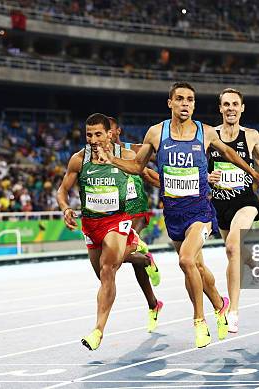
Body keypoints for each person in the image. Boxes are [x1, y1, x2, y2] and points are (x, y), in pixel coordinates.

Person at [96, 82, 259, 347]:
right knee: (197, 267)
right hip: (174, 214)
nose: (185, 103)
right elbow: (137, 166)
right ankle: (220, 305)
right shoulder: (156, 133)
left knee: (186, 260)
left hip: (201, 212)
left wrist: (256, 174)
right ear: (170, 102)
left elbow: (231, 155)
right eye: (179, 99)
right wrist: (113, 160)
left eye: (190, 99)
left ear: (194, 104)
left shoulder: (204, 132)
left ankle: (199, 322)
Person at [57, 113, 155, 351]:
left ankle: (98, 330)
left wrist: (181, 193)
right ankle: (137, 252)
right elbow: (62, 190)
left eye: (98, 134)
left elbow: (149, 174)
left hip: (117, 221)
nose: (93, 139)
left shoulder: (127, 156)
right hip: (91, 225)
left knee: (108, 269)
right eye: (89, 134)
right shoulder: (78, 160)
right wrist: (66, 208)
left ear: (110, 133)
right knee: (102, 277)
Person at [207, 88, 259, 333]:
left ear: (242, 108)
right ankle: (255, 265)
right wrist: (208, 176)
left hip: (245, 201)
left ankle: (234, 311)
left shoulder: (250, 135)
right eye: (226, 104)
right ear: (220, 108)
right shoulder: (210, 134)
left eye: (235, 104)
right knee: (236, 249)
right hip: (220, 203)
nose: (230, 108)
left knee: (232, 247)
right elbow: (199, 165)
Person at [107, 116, 164, 330]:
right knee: (134, 262)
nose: (107, 136)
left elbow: (149, 169)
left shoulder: (134, 149)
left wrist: (168, 189)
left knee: (120, 256)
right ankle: (153, 304)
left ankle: (145, 257)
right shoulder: (100, 156)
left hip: (137, 208)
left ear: (118, 131)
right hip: (117, 214)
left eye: (110, 131)